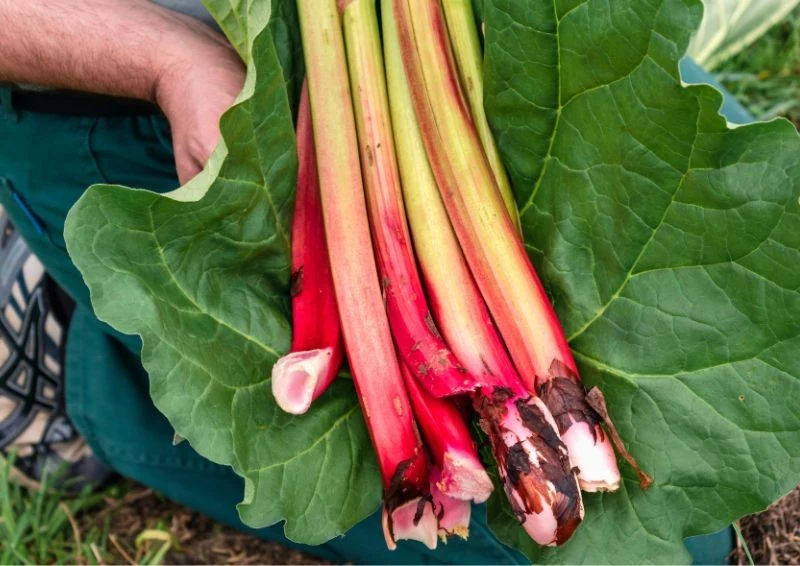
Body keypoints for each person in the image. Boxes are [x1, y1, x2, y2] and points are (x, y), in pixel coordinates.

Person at [0, 1, 736, 563]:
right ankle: (70, 358)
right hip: (133, 78)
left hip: (462, 39)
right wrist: (165, 60)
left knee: (708, 400)